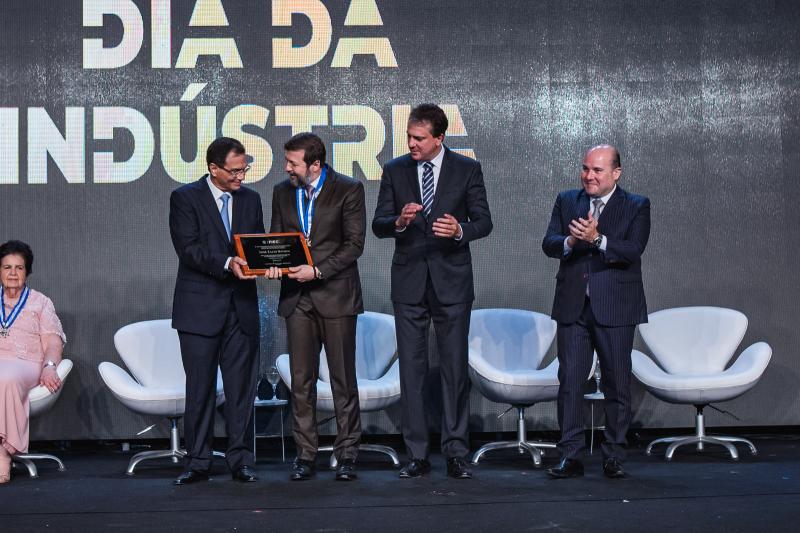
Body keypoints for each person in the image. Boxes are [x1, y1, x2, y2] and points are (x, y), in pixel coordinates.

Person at [372, 104, 493, 479]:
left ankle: (455, 451)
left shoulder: (466, 169)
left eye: (419, 138)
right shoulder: (395, 170)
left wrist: (459, 231)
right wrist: (399, 221)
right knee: (412, 370)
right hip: (409, 283)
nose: (411, 144)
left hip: (452, 282)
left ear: (439, 138)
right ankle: (417, 454)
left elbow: (484, 221)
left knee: (454, 368)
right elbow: (378, 224)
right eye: (409, 136)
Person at [541, 144, 650, 479]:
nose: (589, 176)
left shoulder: (636, 205)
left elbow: (633, 250)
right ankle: (570, 455)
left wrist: (598, 239)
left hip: (616, 306)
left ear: (616, 173)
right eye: (585, 168)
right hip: (574, 306)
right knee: (570, 382)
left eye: (597, 170)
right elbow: (549, 243)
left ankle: (613, 455)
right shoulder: (567, 200)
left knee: (617, 383)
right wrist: (571, 242)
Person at [266, 132, 366, 481]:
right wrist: (272, 264)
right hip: (297, 299)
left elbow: (354, 244)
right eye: (287, 161)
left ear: (315, 165)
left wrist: (318, 270)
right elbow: (277, 239)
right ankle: (305, 455)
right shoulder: (282, 191)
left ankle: (347, 454)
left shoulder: (348, 189)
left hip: (335, 295)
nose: (286, 168)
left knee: (342, 380)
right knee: (301, 381)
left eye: (293, 163)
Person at [169, 137, 265, 485]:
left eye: (244, 169)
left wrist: (267, 262)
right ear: (213, 168)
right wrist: (227, 263)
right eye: (235, 171)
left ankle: (241, 460)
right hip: (199, 309)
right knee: (200, 389)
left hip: (241, 308)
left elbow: (256, 245)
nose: (242, 176)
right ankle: (198, 461)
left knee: (241, 390)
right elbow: (188, 249)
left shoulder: (251, 199)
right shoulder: (185, 198)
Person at [0, 240, 65, 484]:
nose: (13, 273)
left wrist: (49, 367)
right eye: (7, 267)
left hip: (25, 362)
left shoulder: (40, 302)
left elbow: (53, 343)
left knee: (6, 377)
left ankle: (3, 452)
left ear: (27, 272)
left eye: (19, 268)